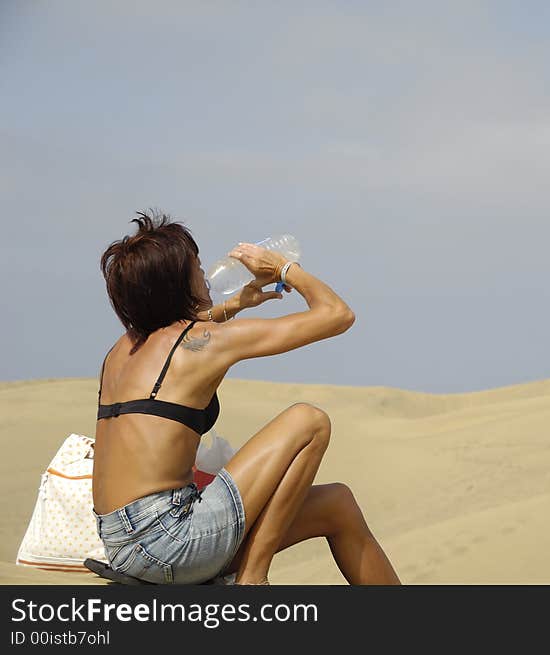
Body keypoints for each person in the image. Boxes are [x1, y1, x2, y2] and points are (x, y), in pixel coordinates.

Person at [92, 210, 401, 585]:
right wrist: (285, 269)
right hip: (171, 542)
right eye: (196, 266)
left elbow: (182, 333)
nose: (204, 275)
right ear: (176, 282)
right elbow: (337, 315)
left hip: (122, 543)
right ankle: (253, 579)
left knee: (337, 505)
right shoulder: (201, 345)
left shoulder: (119, 353)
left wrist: (233, 305)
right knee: (308, 420)